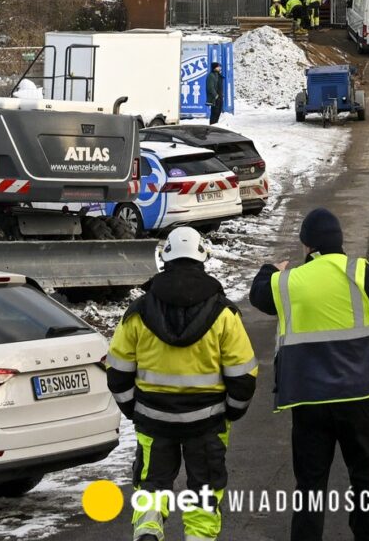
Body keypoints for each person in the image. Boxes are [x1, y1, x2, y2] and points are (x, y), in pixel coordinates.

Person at [250, 209, 369, 541]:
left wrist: (272, 269)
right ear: (340, 242)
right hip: (359, 396)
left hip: (309, 402)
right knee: (364, 475)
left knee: (310, 485)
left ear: (307, 246)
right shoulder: (365, 273)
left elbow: (258, 293)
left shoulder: (290, 281)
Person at [107, 228, 258, 541]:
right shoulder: (223, 313)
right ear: (202, 258)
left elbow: (118, 370)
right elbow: (243, 374)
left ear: (165, 260)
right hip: (207, 422)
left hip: (154, 420)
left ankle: (148, 530)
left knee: (150, 482)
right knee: (205, 486)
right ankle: (199, 537)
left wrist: (134, 411)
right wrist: (232, 411)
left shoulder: (137, 312)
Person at [205, 61, 226, 125]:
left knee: (218, 113)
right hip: (215, 98)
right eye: (218, 66)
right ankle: (212, 127)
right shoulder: (211, 76)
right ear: (215, 68)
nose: (220, 68)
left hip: (220, 97)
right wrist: (216, 96)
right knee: (214, 114)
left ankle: (215, 126)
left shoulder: (218, 75)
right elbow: (210, 87)